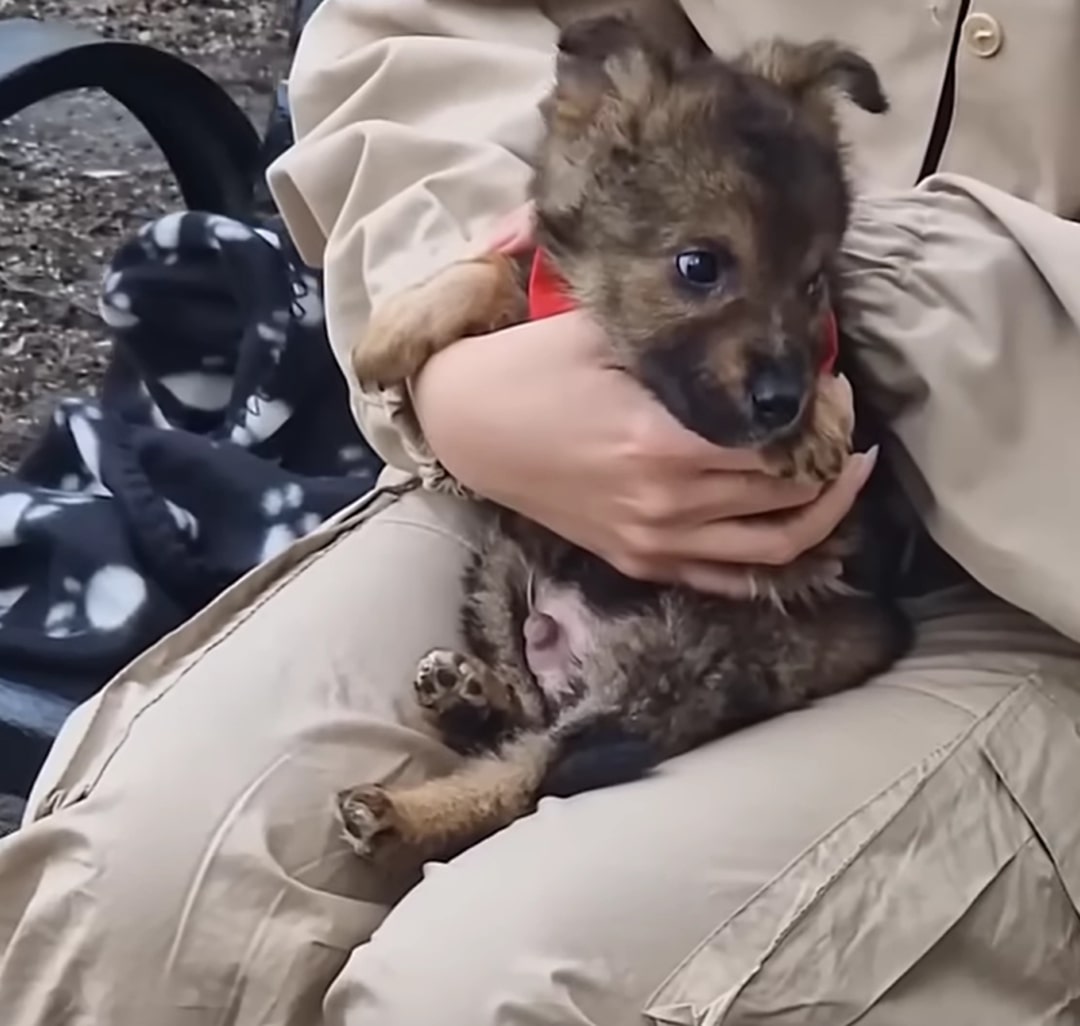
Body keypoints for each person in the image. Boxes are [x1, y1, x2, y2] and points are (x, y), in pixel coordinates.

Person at [2, 0, 1080, 1022]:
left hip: (1027, 576)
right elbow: (452, 25)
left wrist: (886, 305)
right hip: (550, 461)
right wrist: (470, 322)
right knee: (140, 884)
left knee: (487, 990)